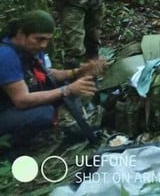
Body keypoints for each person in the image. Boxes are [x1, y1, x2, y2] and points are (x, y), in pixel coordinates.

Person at [0, 10, 105, 144]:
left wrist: (77, 72)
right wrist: (67, 90)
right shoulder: (5, 55)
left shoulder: (30, 47)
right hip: (6, 108)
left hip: (12, 100)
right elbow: (22, 100)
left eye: (47, 40)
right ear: (21, 34)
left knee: (66, 84)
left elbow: (47, 74)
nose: (43, 45)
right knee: (45, 114)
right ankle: (14, 144)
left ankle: (73, 122)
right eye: (39, 39)